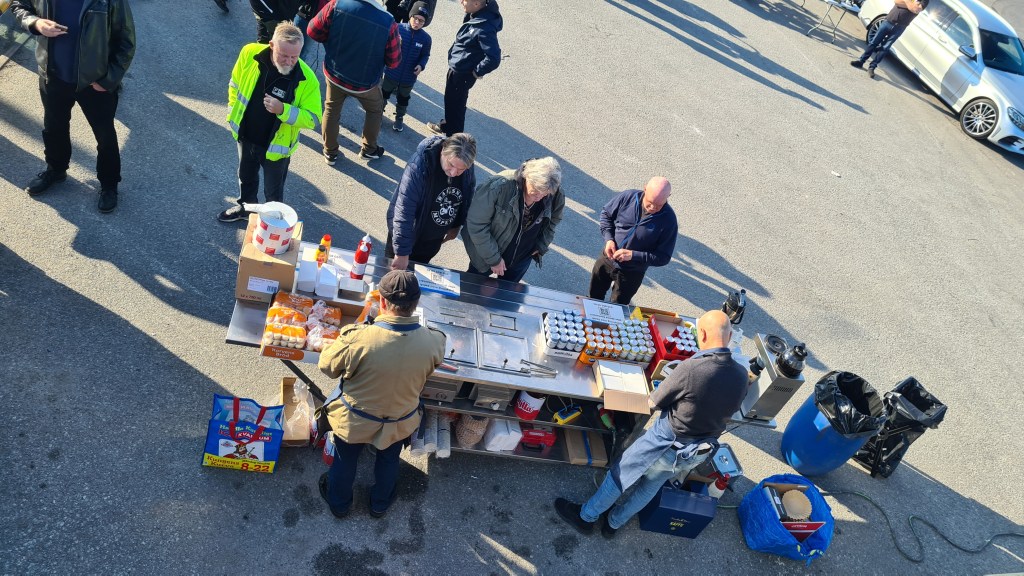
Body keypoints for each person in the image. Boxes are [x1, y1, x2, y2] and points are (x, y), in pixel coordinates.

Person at [555, 310, 748, 538]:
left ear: (702, 334)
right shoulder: (741, 374)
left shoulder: (692, 369)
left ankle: (586, 517)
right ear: (729, 336)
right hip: (698, 450)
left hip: (665, 442)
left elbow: (654, 402)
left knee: (619, 475)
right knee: (650, 487)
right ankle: (613, 524)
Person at [318, 270, 446, 519]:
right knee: (389, 459)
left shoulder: (357, 338)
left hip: (355, 419)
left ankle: (339, 504)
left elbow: (327, 367)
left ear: (382, 302)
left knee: (345, 459)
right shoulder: (434, 341)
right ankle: (379, 504)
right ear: (416, 303)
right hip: (400, 419)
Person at [11, 0, 135, 214]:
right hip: (53, 76)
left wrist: (108, 80)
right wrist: (36, 23)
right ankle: (56, 169)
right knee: (54, 128)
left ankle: (109, 184)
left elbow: (126, 41)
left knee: (105, 136)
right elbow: (18, 5)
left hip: (94, 83)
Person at [217, 22, 322, 223]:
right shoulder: (249, 53)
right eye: (284, 55)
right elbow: (234, 84)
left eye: (294, 57)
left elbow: (312, 119)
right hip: (246, 136)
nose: (289, 61)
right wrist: (232, 111)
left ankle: (272, 224)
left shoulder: (307, 80)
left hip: (276, 149)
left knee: (273, 192)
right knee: (246, 177)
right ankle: (246, 209)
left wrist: (283, 110)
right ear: (272, 45)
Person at [308, 0, 401, 164]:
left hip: (335, 72)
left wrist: (331, 44)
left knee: (331, 108)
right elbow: (393, 62)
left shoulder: (337, 4)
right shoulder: (388, 21)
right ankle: (369, 149)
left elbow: (312, 31)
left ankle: (330, 151)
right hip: (365, 83)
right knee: (375, 110)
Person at [462, 157, 563, 283]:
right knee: (471, 286)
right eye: (536, 190)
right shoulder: (498, 186)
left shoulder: (554, 191)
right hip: (485, 255)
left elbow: (553, 221)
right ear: (527, 176)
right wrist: (494, 259)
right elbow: (477, 225)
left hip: (522, 258)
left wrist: (542, 244)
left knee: (508, 293)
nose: (539, 196)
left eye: (545, 193)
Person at [386, 133, 476, 270]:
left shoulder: (466, 164)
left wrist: (456, 225)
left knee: (417, 275)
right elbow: (404, 209)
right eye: (451, 165)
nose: (453, 173)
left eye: (460, 170)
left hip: (433, 240)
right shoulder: (420, 166)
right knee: (392, 278)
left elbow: (465, 196)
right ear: (443, 151)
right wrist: (401, 252)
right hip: (409, 236)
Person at [589, 177, 677, 305]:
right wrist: (609, 239)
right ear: (645, 188)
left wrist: (633, 255)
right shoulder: (628, 197)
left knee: (618, 308)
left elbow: (663, 257)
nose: (652, 207)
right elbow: (606, 215)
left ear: (668, 196)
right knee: (592, 299)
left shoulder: (669, 220)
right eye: (650, 202)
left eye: (659, 205)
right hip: (606, 260)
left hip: (632, 273)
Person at [426, 0, 502, 137]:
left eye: (465, 0)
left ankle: (452, 138)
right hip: (458, 67)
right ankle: (448, 127)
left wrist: (477, 72)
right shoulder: (475, 14)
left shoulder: (485, 28)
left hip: (463, 74)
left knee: (456, 106)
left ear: (477, 4)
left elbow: (494, 58)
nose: (461, 2)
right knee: (451, 102)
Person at [382, 2, 432, 133]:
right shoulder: (398, 28)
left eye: (421, 21)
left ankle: (399, 117)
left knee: (403, 99)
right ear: (410, 16)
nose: (417, 22)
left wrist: (421, 65)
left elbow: (425, 55)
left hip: (409, 77)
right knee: (384, 93)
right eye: (415, 18)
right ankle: (378, 111)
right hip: (392, 72)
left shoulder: (426, 39)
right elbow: (387, 46)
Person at [850, 0, 928, 78]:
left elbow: (916, 9)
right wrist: (912, 4)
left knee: (885, 48)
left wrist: (906, 1)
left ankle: (872, 67)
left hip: (900, 27)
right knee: (874, 42)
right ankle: (861, 61)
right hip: (889, 20)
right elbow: (897, 2)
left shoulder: (925, 1)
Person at [293, 0, 330, 65]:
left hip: (317, 21)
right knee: (294, 48)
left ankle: (296, 69)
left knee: (303, 52)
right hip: (304, 17)